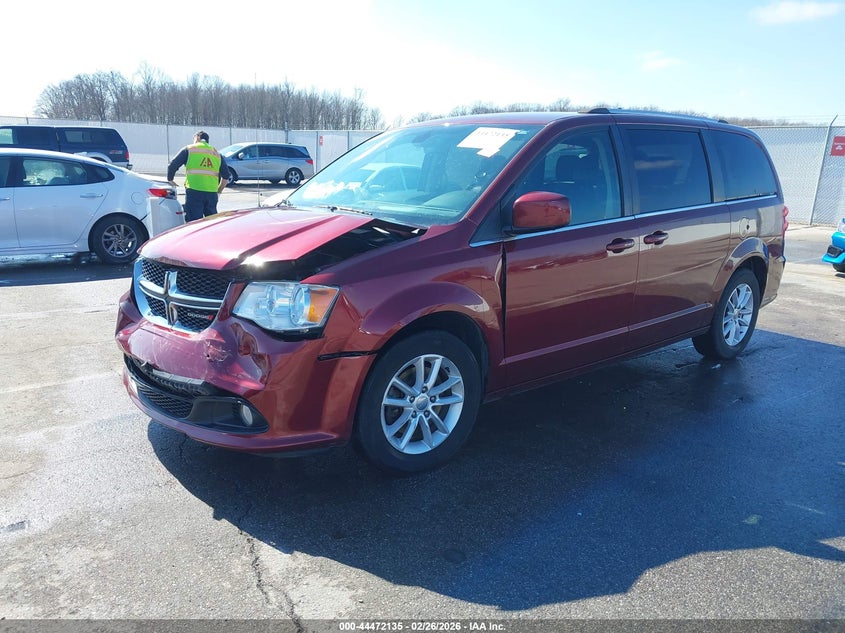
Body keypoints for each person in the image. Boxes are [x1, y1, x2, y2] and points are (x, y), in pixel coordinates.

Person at [167, 131, 229, 221]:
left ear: (197, 138)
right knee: (212, 222)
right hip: (212, 193)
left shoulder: (189, 149)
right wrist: (218, 191)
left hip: (194, 191)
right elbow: (226, 177)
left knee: (194, 222)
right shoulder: (217, 154)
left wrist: (170, 179)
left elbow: (172, 165)